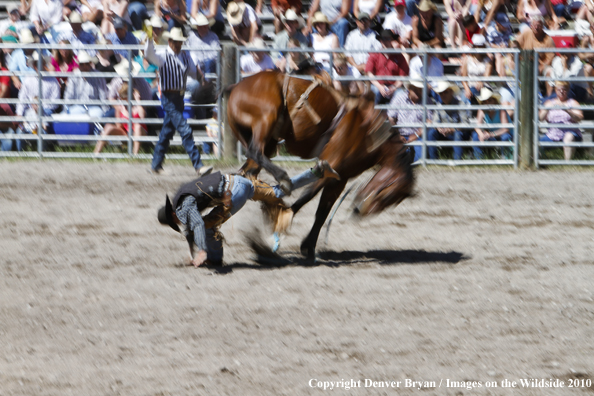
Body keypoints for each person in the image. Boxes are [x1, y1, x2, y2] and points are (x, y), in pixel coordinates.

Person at [157, 161, 340, 266]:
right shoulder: (182, 195)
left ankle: (215, 258)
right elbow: (189, 230)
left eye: (176, 222)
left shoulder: (183, 207)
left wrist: (202, 251)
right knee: (278, 192)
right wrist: (191, 254)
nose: (180, 223)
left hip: (232, 193)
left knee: (206, 226)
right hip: (239, 181)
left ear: (174, 215)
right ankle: (316, 171)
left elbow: (196, 223)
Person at [145, 27, 210, 175]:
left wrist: (203, 81)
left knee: (167, 132)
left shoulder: (185, 57)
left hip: (179, 98)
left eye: (180, 42)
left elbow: (194, 72)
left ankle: (155, 165)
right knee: (185, 130)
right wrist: (149, 39)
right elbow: (149, 54)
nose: (178, 44)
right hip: (169, 97)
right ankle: (198, 165)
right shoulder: (162, 55)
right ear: (170, 41)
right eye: (176, 42)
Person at [13, 52, 60, 151]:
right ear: (34, 66)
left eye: (40, 63)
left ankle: (42, 151)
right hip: (30, 111)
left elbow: (55, 102)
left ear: (44, 64)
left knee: (43, 123)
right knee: (20, 129)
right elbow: (22, 99)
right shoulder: (28, 80)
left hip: (46, 111)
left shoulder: (53, 80)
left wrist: (40, 108)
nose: (39, 66)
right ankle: (20, 153)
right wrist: (19, 113)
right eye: (36, 63)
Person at [94, 83, 147, 155]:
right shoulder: (120, 108)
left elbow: (142, 118)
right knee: (108, 127)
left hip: (139, 133)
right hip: (127, 133)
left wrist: (138, 101)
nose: (121, 100)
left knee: (137, 126)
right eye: (120, 98)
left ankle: (135, 155)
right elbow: (119, 126)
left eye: (124, 98)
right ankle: (96, 153)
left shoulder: (138, 107)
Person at [387, 79, 433, 162]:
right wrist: (398, 135)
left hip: (419, 136)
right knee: (396, 160)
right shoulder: (399, 98)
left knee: (420, 159)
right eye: (416, 89)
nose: (419, 92)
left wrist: (416, 134)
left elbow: (429, 121)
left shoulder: (427, 100)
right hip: (400, 135)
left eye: (421, 89)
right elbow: (391, 118)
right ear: (409, 89)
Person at [539, 81, 584, 161]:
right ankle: (537, 162)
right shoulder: (549, 103)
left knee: (568, 137)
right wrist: (547, 109)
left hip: (571, 132)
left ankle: (567, 163)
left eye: (564, 90)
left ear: (568, 90)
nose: (561, 92)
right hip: (553, 134)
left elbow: (580, 118)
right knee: (536, 143)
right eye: (559, 89)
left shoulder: (572, 103)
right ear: (555, 90)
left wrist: (568, 111)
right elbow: (541, 118)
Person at [427, 81, 470, 160]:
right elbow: (435, 121)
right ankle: (433, 160)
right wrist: (439, 128)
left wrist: (452, 129)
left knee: (458, 134)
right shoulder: (439, 106)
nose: (443, 95)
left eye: (445, 92)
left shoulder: (460, 104)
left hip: (458, 133)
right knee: (431, 133)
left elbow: (465, 124)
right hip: (444, 133)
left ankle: (457, 160)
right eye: (441, 93)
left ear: (451, 92)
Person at [365, 29, 409, 104]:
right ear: (380, 41)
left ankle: (395, 115)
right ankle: (373, 114)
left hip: (394, 87)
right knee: (372, 93)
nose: (385, 41)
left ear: (392, 40)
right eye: (383, 39)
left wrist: (393, 88)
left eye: (388, 39)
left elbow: (402, 77)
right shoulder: (374, 55)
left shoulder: (399, 56)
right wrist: (379, 87)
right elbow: (369, 74)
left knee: (401, 94)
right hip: (378, 85)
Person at [62, 51, 108, 121]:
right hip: (77, 107)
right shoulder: (73, 76)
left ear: (90, 63)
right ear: (79, 65)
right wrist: (66, 109)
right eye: (81, 64)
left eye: (86, 64)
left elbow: (103, 95)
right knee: (70, 115)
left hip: (94, 107)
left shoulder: (98, 75)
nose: (84, 66)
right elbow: (69, 95)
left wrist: (105, 111)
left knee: (99, 115)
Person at [471, 87, 513, 159]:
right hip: (492, 135)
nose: (487, 103)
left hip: (504, 135)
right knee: (475, 135)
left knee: (505, 137)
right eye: (485, 101)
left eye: (490, 100)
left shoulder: (501, 110)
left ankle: (506, 158)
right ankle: (479, 159)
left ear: (495, 101)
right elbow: (477, 126)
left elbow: (506, 129)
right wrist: (481, 134)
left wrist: (490, 134)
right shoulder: (481, 110)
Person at [461, 34, 493, 104]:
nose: (478, 48)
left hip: (484, 86)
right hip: (470, 86)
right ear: (474, 46)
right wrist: (467, 89)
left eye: (480, 46)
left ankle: (469, 112)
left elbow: (487, 76)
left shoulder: (488, 60)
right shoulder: (467, 59)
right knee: (468, 94)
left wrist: (481, 81)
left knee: (469, 95)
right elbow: (463, 78)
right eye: (477, 45)